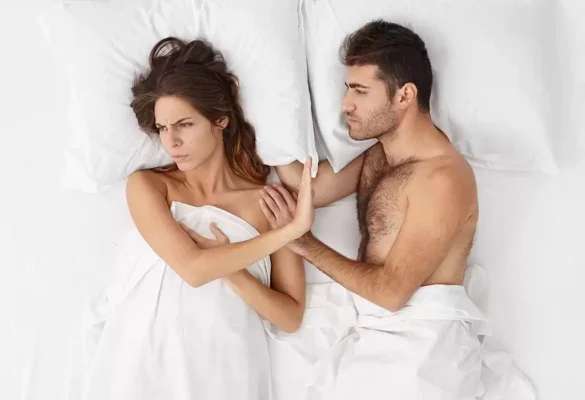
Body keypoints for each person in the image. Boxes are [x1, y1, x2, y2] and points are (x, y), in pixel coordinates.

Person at [260, 20, 486, 399]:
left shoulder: (441, 180)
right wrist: (262, 118)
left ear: (405, 95)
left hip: (423, 348)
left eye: (360, 91)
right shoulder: (380, 155)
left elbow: (392, 292)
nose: (345, 105)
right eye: (348, 89)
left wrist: (305, 244)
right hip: (375, 332)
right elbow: (310, 189)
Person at [81, 37, 314, 400]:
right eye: (162, 128)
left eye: (184, 124)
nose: (171, 141)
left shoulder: (268, 204)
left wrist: (234, 270)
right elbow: (192, 270)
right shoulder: (149, 186)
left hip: (224, 367)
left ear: (220, 119)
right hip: (145, 362)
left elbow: (290, 316)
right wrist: (291, 231)